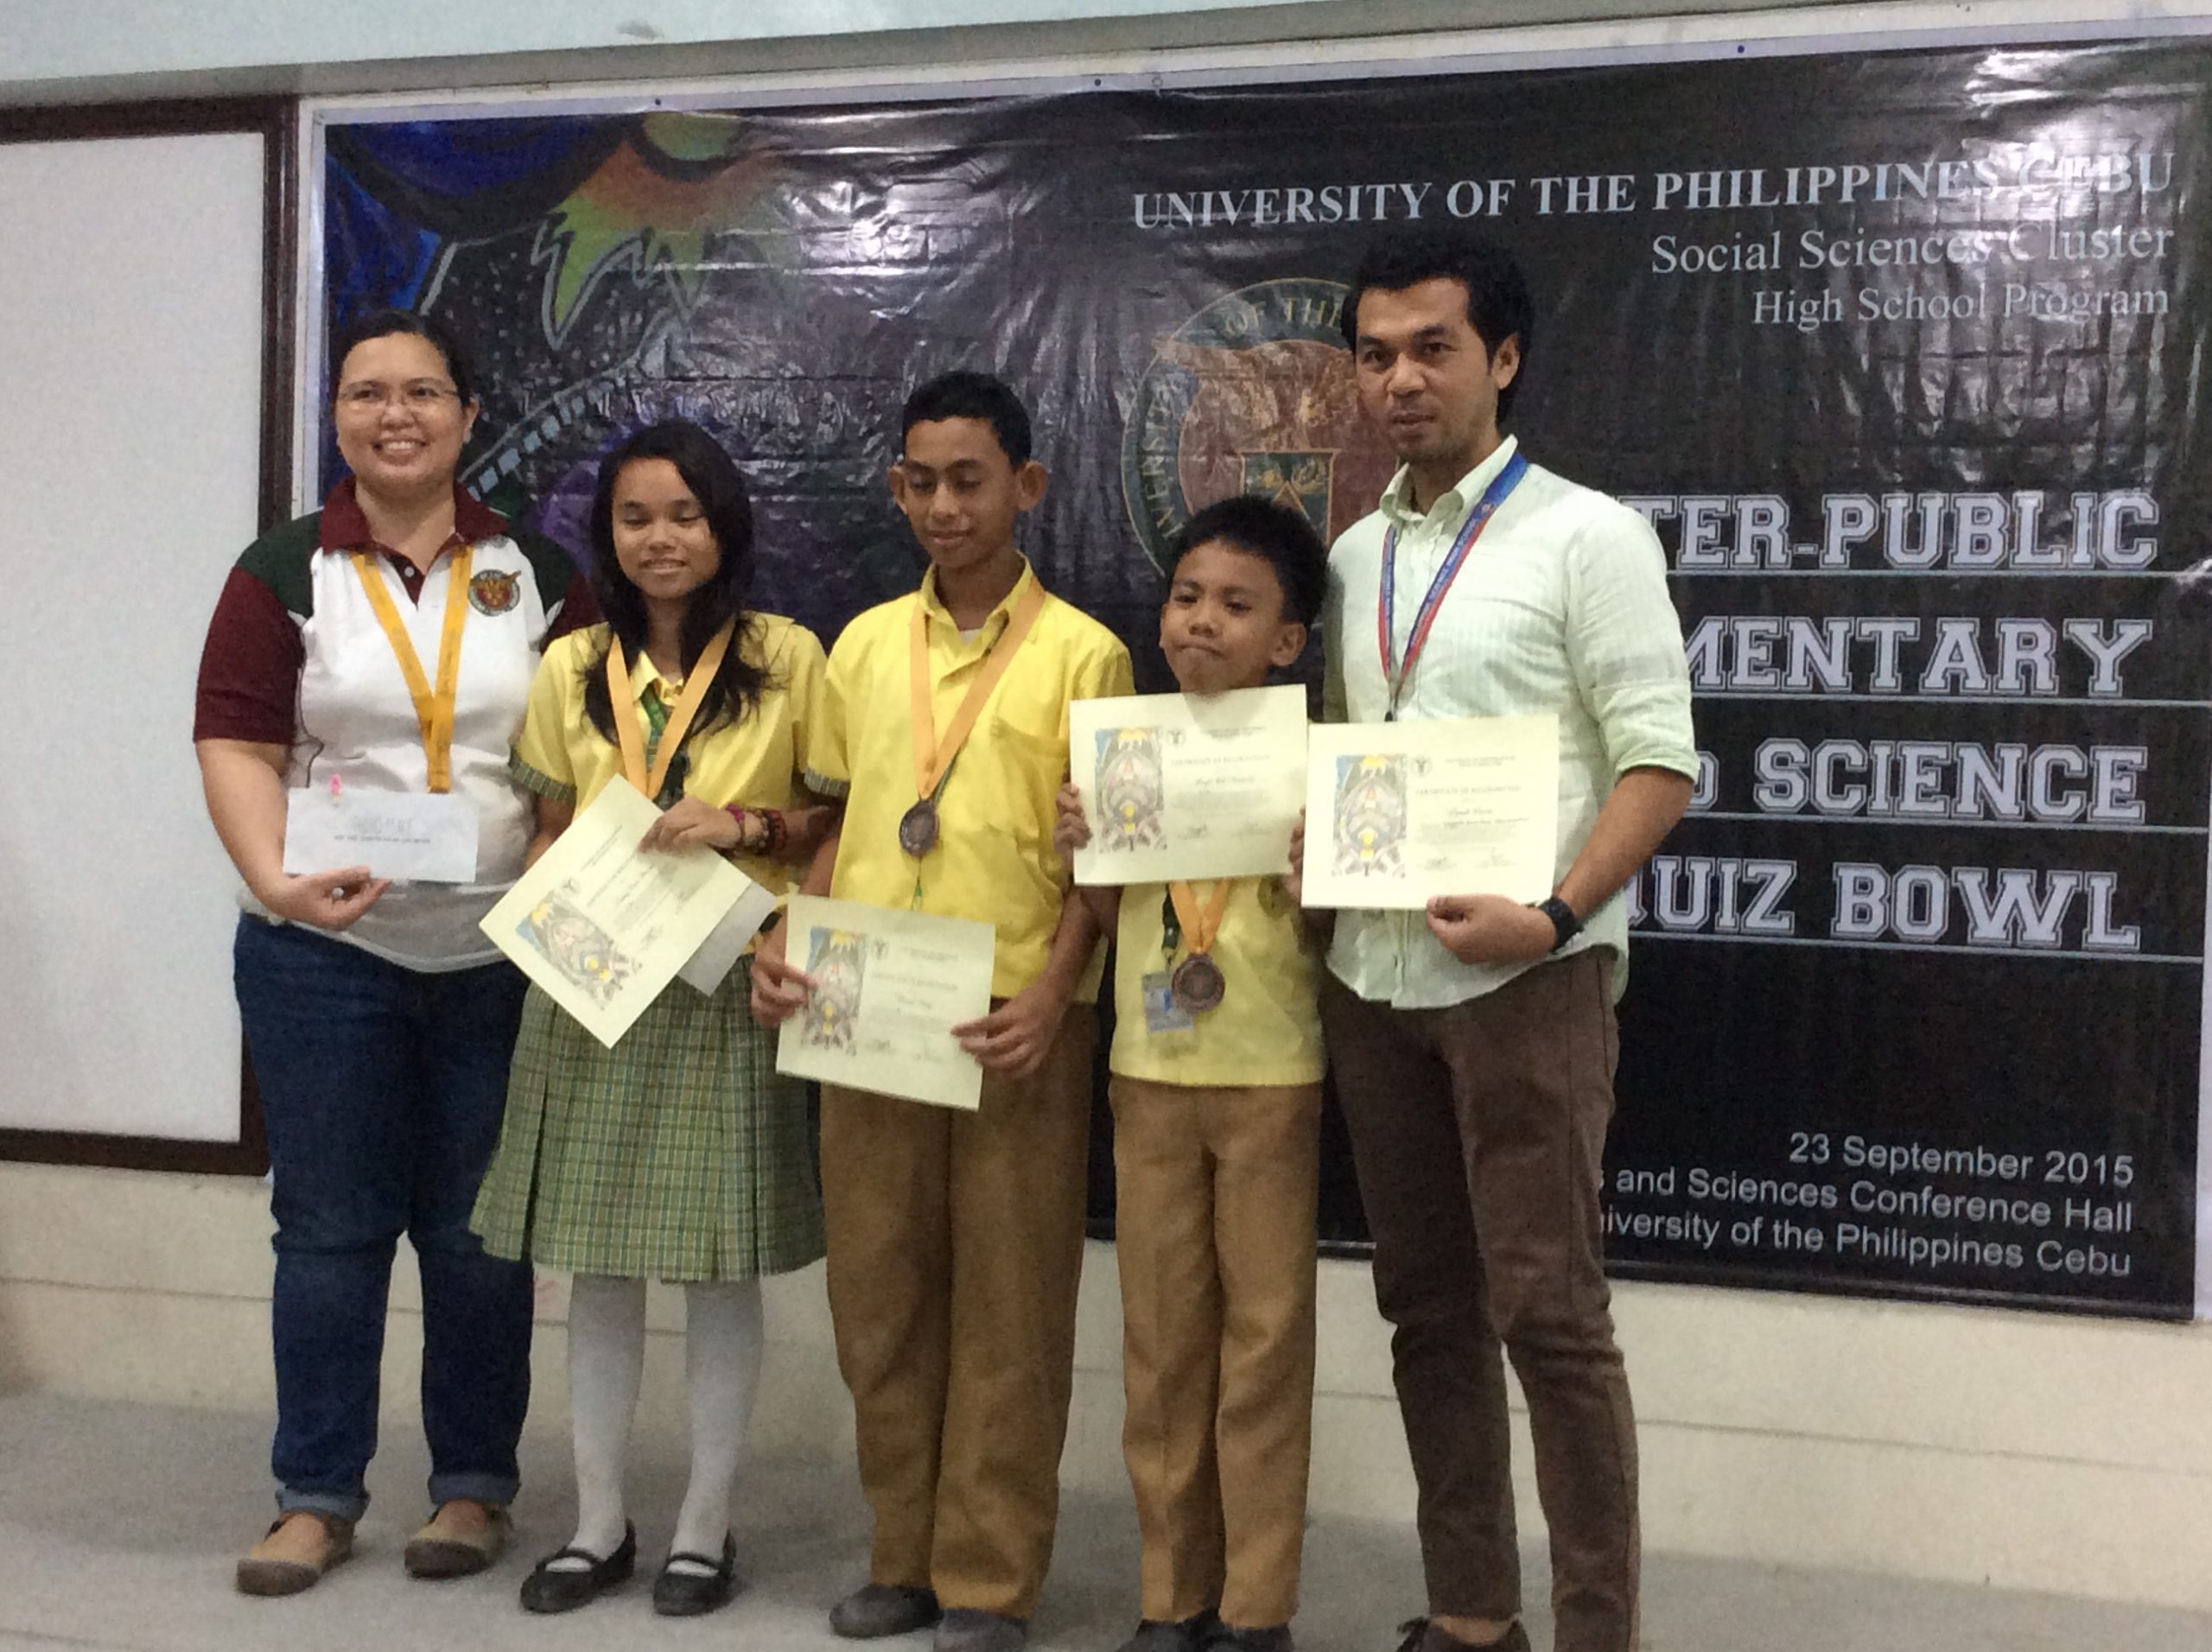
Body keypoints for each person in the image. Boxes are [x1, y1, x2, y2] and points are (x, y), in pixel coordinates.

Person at [1312, 223, 1696, 1652]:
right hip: (1373, 977)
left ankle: (1600, 1630)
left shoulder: (1591, 536)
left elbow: (1659, 765)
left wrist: (1550, 915)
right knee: (1425, 1310)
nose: (1400, 380)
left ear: (1506, 359)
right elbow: (1357, 758)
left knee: (1551, 1316)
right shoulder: (1351, 555)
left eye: (1433, 349)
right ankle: (1472, 1613)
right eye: (1374, 354)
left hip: (1529, 979)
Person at [194, 308, 597, 1595]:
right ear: (338, 421)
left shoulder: (536, 570)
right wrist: (277, 882)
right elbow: (238, 743)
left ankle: (473, 1490)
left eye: (424, 392)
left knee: (481, 1237)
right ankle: (314, 1495)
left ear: (469, 417)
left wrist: (556, 858)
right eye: (368, 394)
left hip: (495, 954)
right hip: (325, 957)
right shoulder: (282, 568)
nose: (396, 414)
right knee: (328, 1227)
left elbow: (590, 752)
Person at [751, 371, 1134, 1652]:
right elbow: (840, 821)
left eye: (970, 479)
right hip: (864, 1009)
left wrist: (1054, 985)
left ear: (1026, 486)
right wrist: (788, 942)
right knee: (882, 1298)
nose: (942, 505)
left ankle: (987, 1581)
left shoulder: (1084, 650)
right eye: (920, 479)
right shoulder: (861, 645)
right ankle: (899, 1557)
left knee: (1012, 1309)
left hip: (1012, 1019)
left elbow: (1105, 860)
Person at [469, 418, 838, 1617]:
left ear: (724, 524)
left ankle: (702, 1528)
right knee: (598, 1270)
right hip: (593, 984)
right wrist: (560, 885)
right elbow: (541, 822)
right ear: (607, 533)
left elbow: (835, 823)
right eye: (636, 518)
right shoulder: (571, 662)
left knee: (718, 1271)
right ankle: (596, 1523)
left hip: (728, 980)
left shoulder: (787, 656)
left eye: (685, 514)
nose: (661, 539)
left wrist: (746, 833)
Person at [1053, 496, 1328, 1652]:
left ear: (1287, 641)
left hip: (1272, 1074)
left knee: (1264, 1343)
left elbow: (1333, 945)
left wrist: (1332, 873)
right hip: (1148, 1064)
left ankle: (1256, 1607)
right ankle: (1173, 1595)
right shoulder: (1128, 748)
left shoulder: (1314, 760)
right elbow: (1114, 921)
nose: (1200, 621)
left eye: (1236, 605)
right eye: (1184, 596)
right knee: (1162, 1344)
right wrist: (1086, 852)